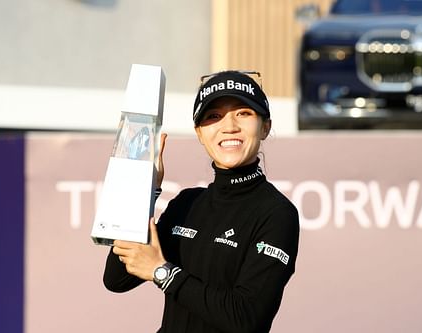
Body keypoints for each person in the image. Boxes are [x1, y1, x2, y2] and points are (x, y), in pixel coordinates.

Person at [103, 70, 300, 333]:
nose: (229, 126)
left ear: (265, 127)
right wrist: (143, 190)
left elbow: (247, 318)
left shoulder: (277, 214)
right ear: (199, 133)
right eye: (213, 116)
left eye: (243, 113)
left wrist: (163, 272)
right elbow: (117, 279)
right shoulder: (187, 203)